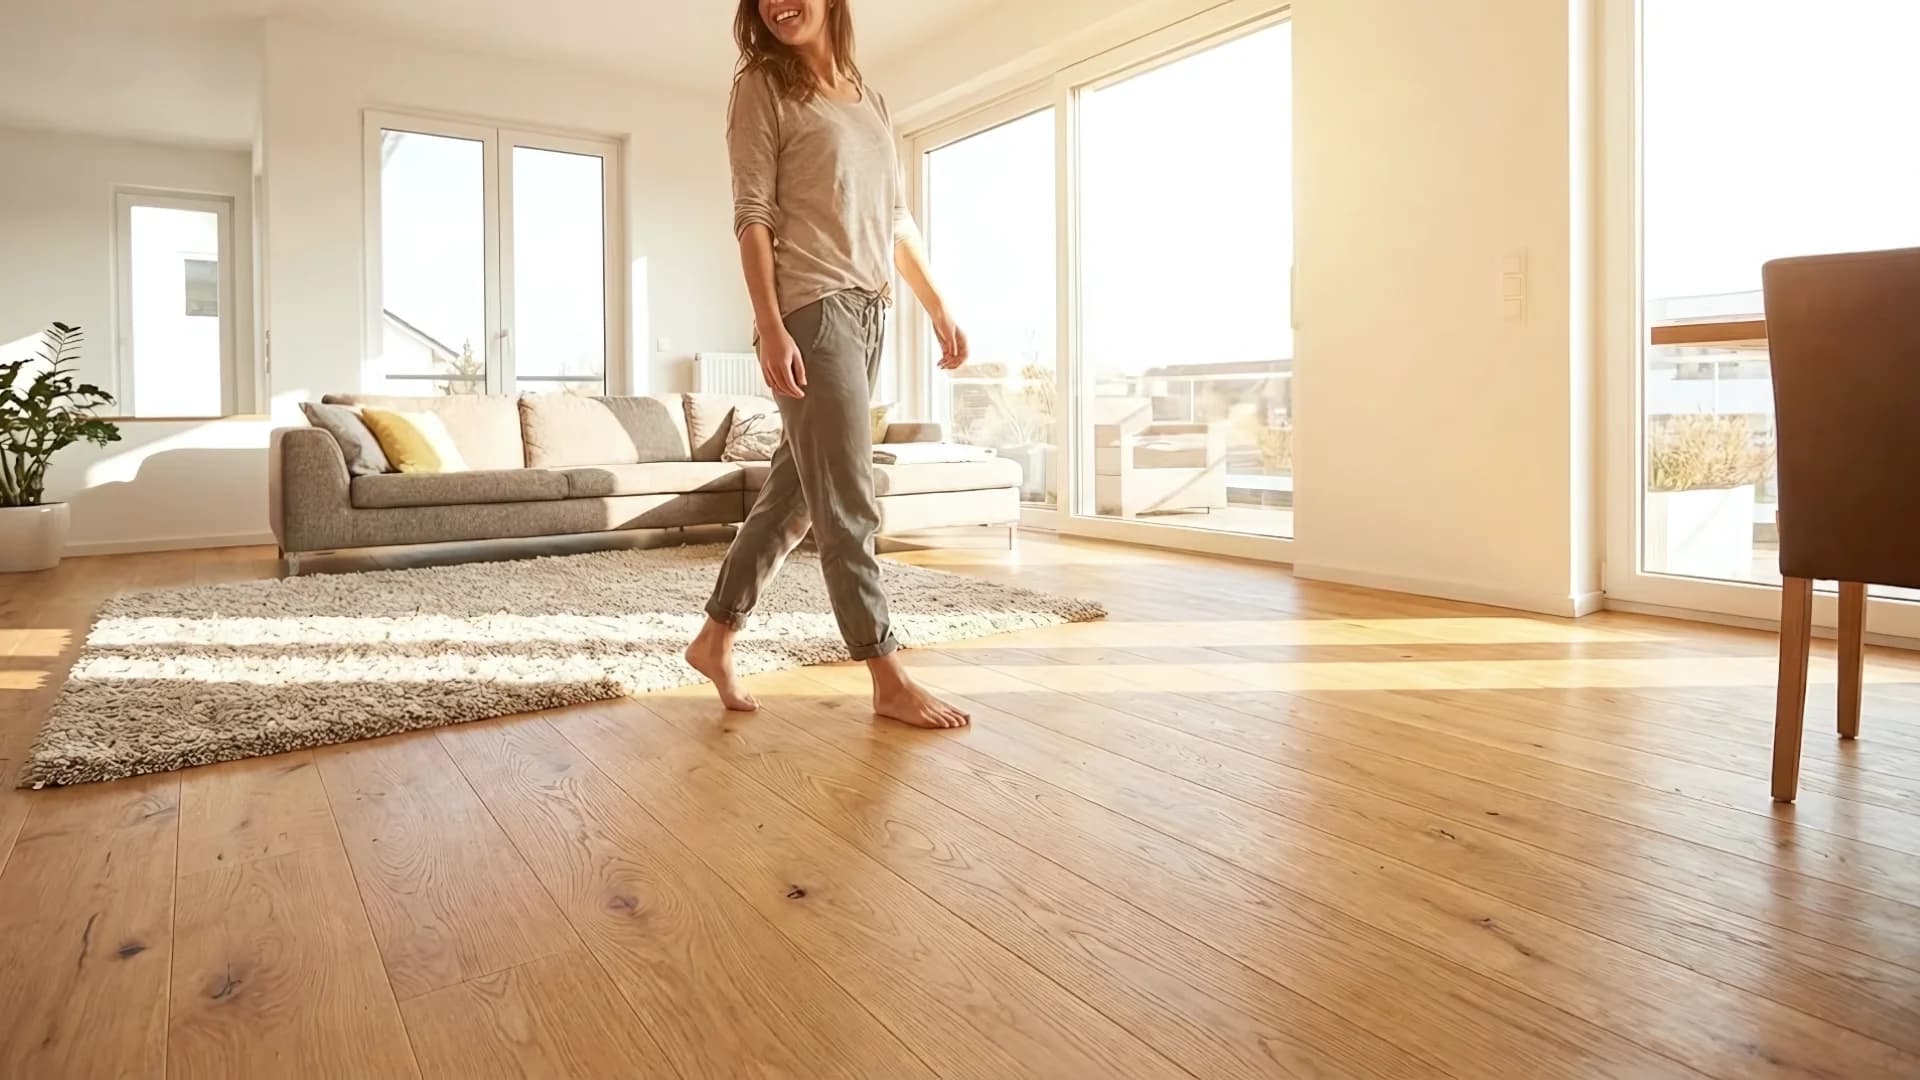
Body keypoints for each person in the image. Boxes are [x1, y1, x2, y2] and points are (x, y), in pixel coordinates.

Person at [684, 0, 974, 728]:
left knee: (797, 495)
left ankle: (715, 636)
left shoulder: (867, 96)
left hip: (871, 311)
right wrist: (770, 324)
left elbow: (896, 219)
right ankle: (886, 674)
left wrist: (937, 304)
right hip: (812, 313)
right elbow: (753, 215)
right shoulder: (762, 86)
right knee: (848, 498)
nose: (782, 3)